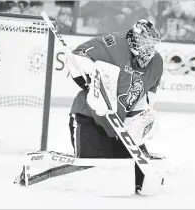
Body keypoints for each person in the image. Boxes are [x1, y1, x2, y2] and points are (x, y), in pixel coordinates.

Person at [68, 19, 164, 195]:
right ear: (133, 39)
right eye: (144, 43)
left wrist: (139, 123)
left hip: (120, 126)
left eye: (152, 45)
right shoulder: (113, 43)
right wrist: (92, 77)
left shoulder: (156, 63)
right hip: (89, 117)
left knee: (139, 180)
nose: (148, 49)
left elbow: (145, 100)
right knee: (97, 178)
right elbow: (76, 58)